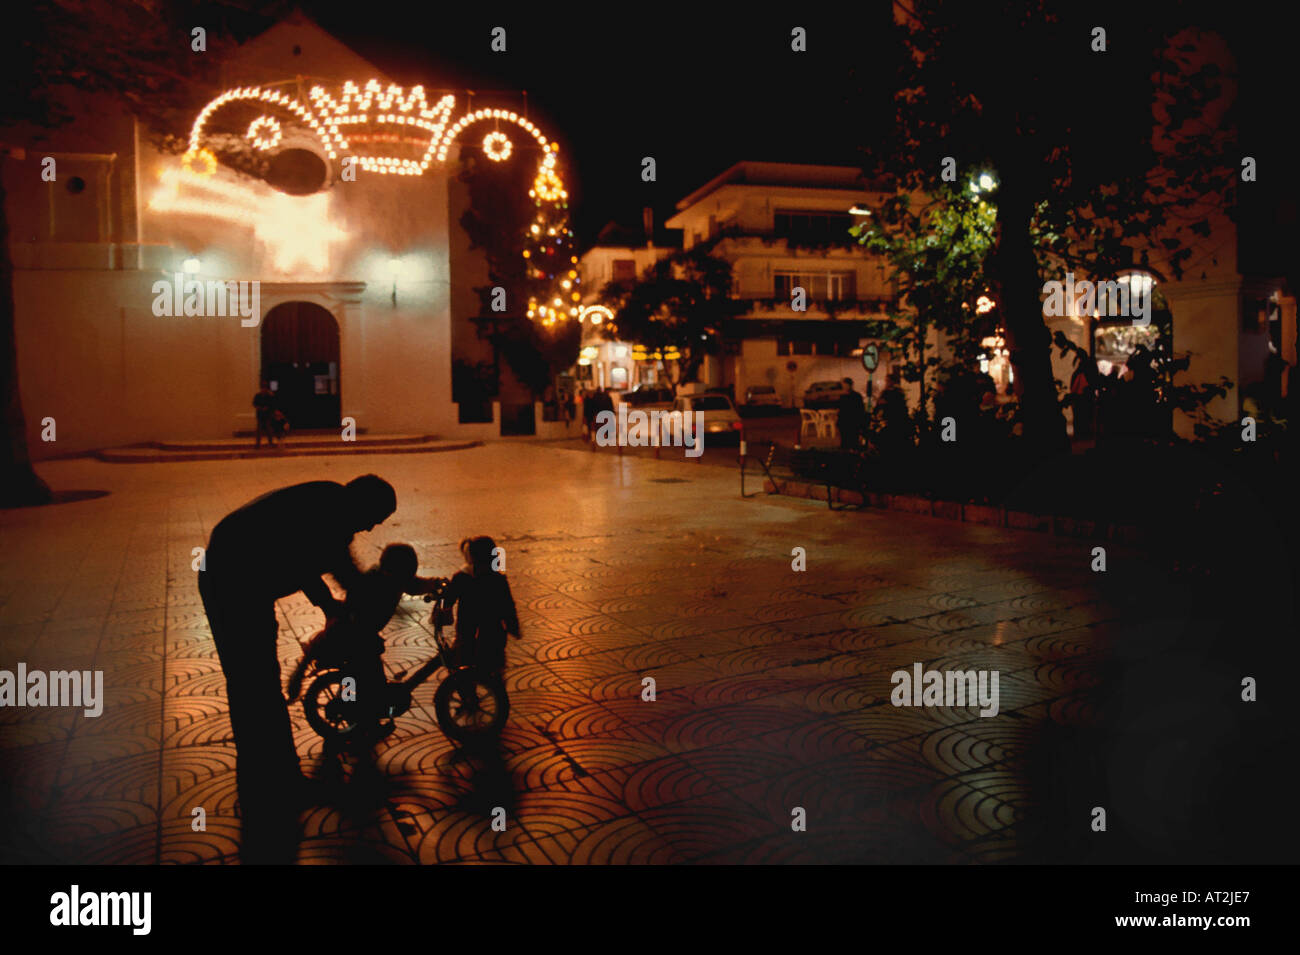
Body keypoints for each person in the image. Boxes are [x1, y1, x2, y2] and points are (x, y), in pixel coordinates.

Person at [197, 474, 397, 862]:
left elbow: (323, 562)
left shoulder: (331, 506)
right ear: (363, 504)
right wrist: (343, 602)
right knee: (252, 684)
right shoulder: (329, 513)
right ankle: (267, 784)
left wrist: (341, 602)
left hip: (247, 583)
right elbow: (318, 562)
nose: (372, 527)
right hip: (231, 583)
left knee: (259, 683)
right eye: (375, 517)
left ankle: (278, 779)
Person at [284, 543, 441, 734]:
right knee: (368, 681)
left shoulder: (390, 577)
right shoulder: (376, 582)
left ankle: (360, 711)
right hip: (353, 638)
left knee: (357, 677)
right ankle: (365, 722)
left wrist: (435, 583)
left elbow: (414, 585)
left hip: (358, 635)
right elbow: (410, 585)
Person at [442, 536, 521, 678]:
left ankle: (468, 695)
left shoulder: (461, 577)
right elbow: (508, 607)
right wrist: (513, 627)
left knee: (464, 666)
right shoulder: (497, 580)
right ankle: (495, 691)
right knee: (493, 671)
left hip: (466, 631)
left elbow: (448, 599)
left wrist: (444, 611)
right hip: (493, 634)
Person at [836, 377, 866, 450]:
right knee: (844, 442)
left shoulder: (856, 396)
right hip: (844, 422)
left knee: (853, 442)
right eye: (843, 385)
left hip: (853, 422)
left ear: (850, 385)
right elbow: (840, 409)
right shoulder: (842, 396)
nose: (844, 387)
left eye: (845, 385)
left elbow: (860, 410)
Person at [253, 382, 278, 448]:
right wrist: (259, 407)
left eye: (265, 388)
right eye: (263, 388)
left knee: (269, 429)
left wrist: (267, 408)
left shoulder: (269, 396)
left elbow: (272, 404)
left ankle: (270, 442)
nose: (264, 390)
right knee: (259, 430)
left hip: (267, 415)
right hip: (260, 415)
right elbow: (254, 404)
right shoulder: (258, 395)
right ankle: (258, 444)